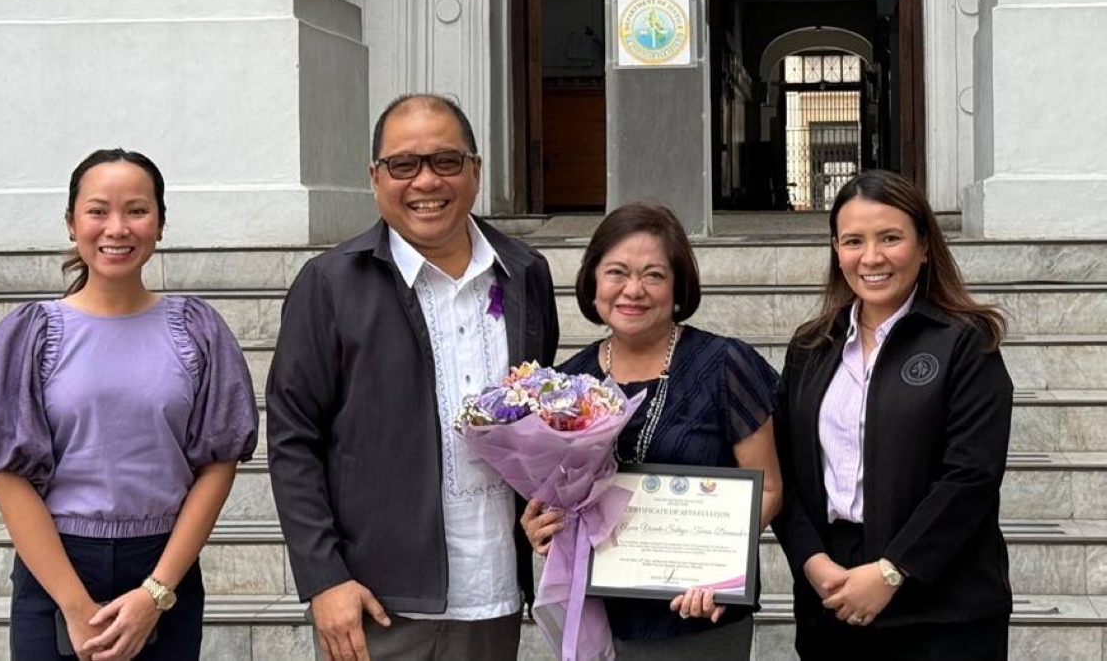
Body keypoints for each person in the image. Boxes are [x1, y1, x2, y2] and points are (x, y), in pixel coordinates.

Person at [266, 93, 560, 661]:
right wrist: (324, 578)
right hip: (377, 602)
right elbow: (292, 439)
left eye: (446, 161)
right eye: (404, 164)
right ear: (375, 178)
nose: (426, 181)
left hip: (494, 593)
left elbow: (536, 416)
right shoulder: (330, 285)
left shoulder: (525, 273)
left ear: (475, 171)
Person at [0, 148, 259, 661]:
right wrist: (75, 608)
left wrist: (155, 593)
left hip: (164, 563)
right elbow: (5, 472)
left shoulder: (198, 332)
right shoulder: (30, 335)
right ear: (72, 222)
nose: (116, 228)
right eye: (98, 211)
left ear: (160, 224)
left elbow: (218, 461)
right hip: (57, 566)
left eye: (137, 211)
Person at [521, 202, 783, 660]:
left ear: (678, 286)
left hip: (697, 618)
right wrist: (542, 525)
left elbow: (770, 488)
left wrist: (717, 569)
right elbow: (557, 497)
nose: (633, 290)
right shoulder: (565, 384)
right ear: (593, 282)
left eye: (654, 275)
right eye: (617, 272)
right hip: (601, 614)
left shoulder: (725, 365)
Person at [772, 169, 1013, 660]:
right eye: (853, 241)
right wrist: (811, 560)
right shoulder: (810, 347)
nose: (872, 257)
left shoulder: (966, 342)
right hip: (833, 596)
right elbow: (784, 471)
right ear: (837, 251)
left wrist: (893, 570)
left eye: (890, 238)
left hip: (942, 604)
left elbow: (971, 476)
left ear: (924, 246)